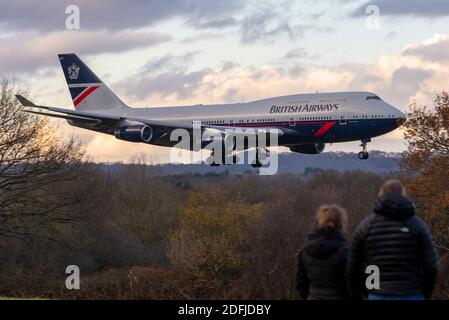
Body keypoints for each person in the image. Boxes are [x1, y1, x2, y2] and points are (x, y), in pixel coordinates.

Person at [347, 179, 438, 300]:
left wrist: (361, 294)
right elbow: (431, 266)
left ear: (381, 194)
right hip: (411, 292)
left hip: (377, 293)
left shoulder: (366, 226)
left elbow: (353, 269)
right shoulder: (417, 225)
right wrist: (425, 293)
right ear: (403, 195)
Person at [296, 204, 350, 300]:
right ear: (341, 223)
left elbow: (301, 282)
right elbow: (353, 282)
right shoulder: (344, 251)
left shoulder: (305, 250)